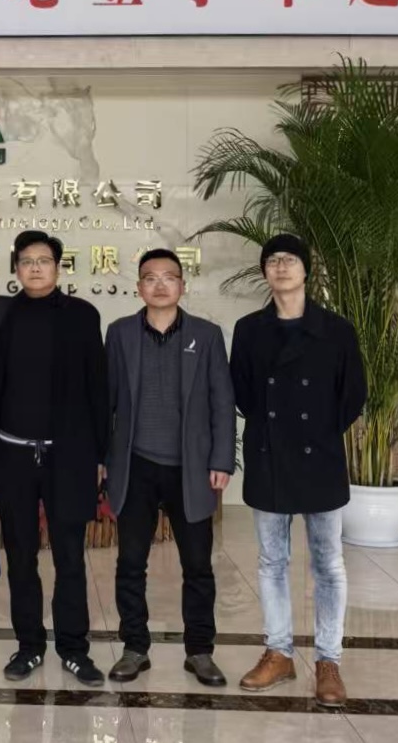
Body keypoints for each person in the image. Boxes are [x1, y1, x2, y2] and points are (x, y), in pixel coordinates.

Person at [230, 234, 366, 708]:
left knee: (328, 564)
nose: (281, 266)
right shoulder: (249, 329)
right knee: (272, 562)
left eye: (290, 259)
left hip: (319, 458)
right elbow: (242, 391)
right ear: (264, 272)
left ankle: (328, 661)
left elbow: (353, 393)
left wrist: (320, 432)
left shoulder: (336, 329)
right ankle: (279, 653)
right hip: (269, 456)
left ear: (306, 269)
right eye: (272, 260)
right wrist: (275, 431)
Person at [0, 230, 109, 687]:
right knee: (21, 558)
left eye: (44, 260)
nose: (35, 267)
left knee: (70, 557)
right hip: (12, 454)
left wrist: (100, 455)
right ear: (15, 268)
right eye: (27, 260)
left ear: (58, 267)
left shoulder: (82, 315)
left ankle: (74, 648)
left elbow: (97, 387)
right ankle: (29, 645)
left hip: (67, 455)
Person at [104, 248, 235, 685]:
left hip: (191, 469)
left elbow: (222, 401)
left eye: (168, 277)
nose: (159, 285)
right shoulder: (120, 333)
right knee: (130, 563)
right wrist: (102, 460)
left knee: (197, 565)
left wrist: (222, 459)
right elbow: (107, 401)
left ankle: (200, 651)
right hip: (135, 465)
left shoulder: (207, 335)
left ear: (182, 284)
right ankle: (134, 648)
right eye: (150, 278)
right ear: (138, 287)